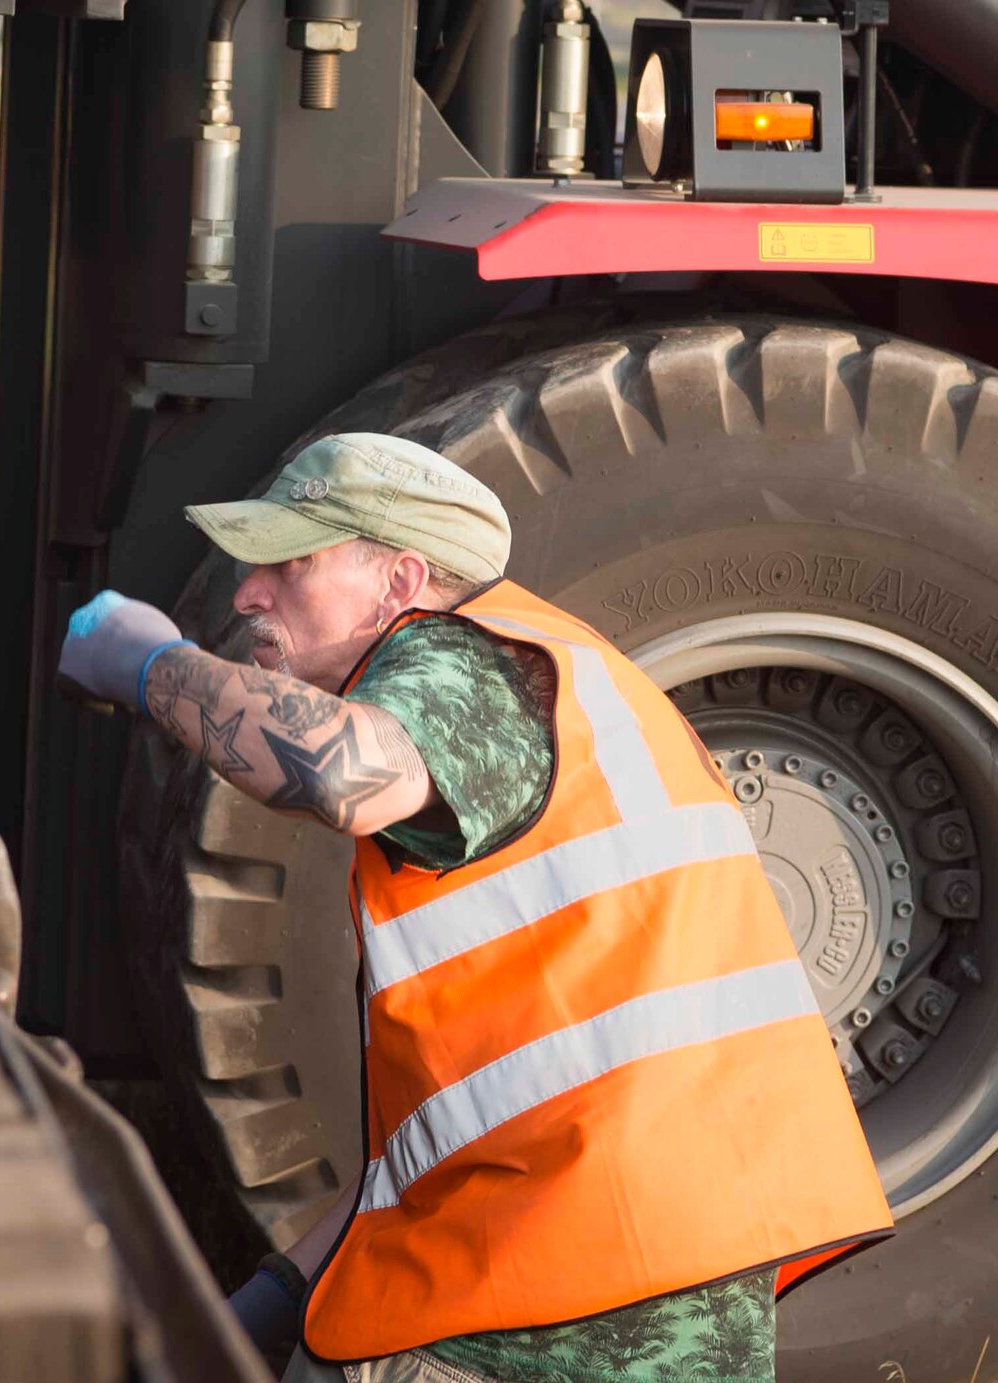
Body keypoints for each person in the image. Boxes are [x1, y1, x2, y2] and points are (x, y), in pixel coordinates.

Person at [58, 433, 894, 1383]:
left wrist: (149, 665)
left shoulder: (469, 662)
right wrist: (264, 1305)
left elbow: (343, 773)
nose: (250, 593)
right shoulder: (562, 682)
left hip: (559, 1299)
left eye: (289, 564)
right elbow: (457, 1138)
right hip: (648, 1273)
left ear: (401, 580)